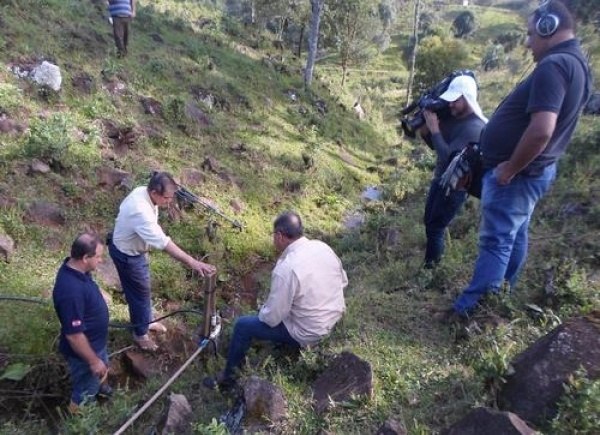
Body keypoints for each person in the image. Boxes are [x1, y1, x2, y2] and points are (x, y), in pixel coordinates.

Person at [445, 1, 592, 319]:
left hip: (518, 174)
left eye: (530, 35)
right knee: (514, 234)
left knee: (496, 240)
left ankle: (472, 311)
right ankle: (500, 297)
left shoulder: (554, 66)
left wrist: (509, 169)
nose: (527, 44)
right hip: (534, 171)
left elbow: (541, 130)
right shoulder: (577, 64)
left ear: (547, 28)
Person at [206, 211, 348, 388]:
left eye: (273, 235)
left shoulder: (286, 268)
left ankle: (228, 378)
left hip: (310, 332)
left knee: (243, 326)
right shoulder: (322, 247)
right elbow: (343, 281)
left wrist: (263, 311)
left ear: (280, 236)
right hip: (335, 317)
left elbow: (272, 318)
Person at [108, 171, 216, 351]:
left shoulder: (145, 193)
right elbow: (164, 242)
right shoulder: (140, 210)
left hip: (133, 251)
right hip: (127, 256)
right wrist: (193, 262)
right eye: (166, 198)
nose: (169, 202)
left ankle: (145, 320)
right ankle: (140, 334)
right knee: (140, 293)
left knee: (142, 290)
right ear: (154, 193)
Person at [420, 74, 487, 268]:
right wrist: (427, 132)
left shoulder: (474, 127)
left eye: (455, 101)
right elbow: (438, 145)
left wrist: (434, 129)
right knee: (430, 222)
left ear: (467, 99)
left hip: (455, 187)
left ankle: (431, 269)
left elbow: (448, 157)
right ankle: (431, 264)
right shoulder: (457, 117)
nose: (450, 105)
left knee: (436, 227)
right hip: (441, 180)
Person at [52, 233, 110, 412]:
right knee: (83, 392)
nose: (101, 261)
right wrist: (93, 361)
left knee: (100, 372)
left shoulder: (78, 270)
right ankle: (80, 423)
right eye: (98, 257)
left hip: (96, 345)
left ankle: (100, 390)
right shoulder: (70, 291)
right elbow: (75, 335)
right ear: (85, 258)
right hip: (85, 354)